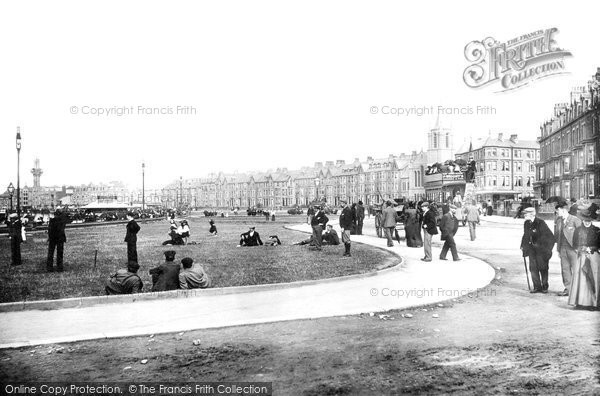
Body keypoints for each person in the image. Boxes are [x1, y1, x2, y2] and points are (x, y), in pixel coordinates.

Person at [568, 209, 600, 309]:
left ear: (592, 220)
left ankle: (594, 303)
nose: (587, 222)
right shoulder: (578, 230)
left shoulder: (597, 230)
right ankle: (580, 303)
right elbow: (574, 244)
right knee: (580, 278)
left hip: (593, 256)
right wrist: (580, 248)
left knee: (594, 277)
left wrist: (591, 248)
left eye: (589, 220)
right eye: (585, 220)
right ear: (582, 220)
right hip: (581, 257)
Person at [520, 207, 555, 293]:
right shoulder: (526, 223)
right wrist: (523, 245)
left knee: (543, 268)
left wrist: (547, 249)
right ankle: (537, 286)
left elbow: (550, 237)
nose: (524, 215)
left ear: (532, 214)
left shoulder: (540, 222)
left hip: (541, 250)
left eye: (526, 214)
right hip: (532, 249)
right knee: (533, 268)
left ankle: (544, 286)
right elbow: (526, 235)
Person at [555, 201, 582, 296]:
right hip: (562, 248)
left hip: (573, 249)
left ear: (563, 210)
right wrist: (558, 249)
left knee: (576, 269)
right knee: (565, 269)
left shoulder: (575, 220)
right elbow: (557, 235)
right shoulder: (558, 221)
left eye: (557, 211)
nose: (556, 213)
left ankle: (578, 290)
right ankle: (568, 289)